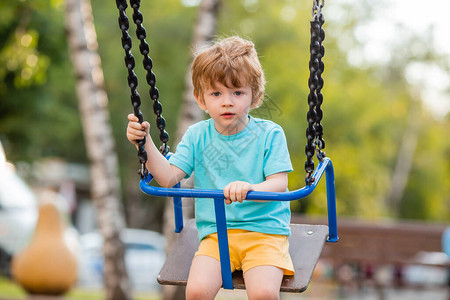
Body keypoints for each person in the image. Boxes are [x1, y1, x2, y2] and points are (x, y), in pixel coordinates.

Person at [126, 36, 294, 300]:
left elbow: (279, 183)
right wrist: (144, 142)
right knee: (196, 292)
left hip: (264, 233)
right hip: (216, 235)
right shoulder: (197, 136)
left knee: (263, 293)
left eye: (237, 92)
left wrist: (250, 187)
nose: (227, 101)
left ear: (256, 95)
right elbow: (169, 178)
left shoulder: (270, 133)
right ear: (201, 99)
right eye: (216, 93)